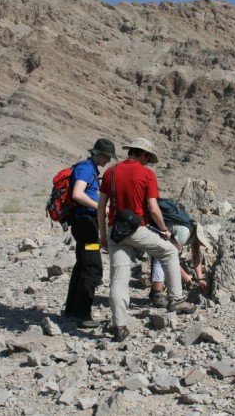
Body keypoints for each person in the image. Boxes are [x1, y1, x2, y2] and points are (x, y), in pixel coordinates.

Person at [97, 138, 196, 342]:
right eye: (148, 157)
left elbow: (101, 206)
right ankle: (176, 299)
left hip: (115, 231)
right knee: (169, 252)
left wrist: (102, 235)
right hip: (137, 229)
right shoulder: (147, 174)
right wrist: (164, 230)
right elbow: (153, 208)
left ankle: (119, 325)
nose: (148, 161)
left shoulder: (110, 173)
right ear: (142, 153)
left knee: (118, 278)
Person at [63, 138, 117, 328]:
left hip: (87, 225)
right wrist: (99, 206)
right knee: (92, 266)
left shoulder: (90, 169)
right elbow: (77, 194)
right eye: (107, 157)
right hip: (85, 225)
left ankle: (71, 310)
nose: (108, 161)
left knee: (82, 264)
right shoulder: (86, 168)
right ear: (99, 154)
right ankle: (81, 313)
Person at [149, 220, 213, 308]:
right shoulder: (185, 233)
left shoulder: (194, 236)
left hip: (164, 238)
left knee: (162, 257)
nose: (203, 245)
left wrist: (200, 279)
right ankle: (157, 296)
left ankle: (155, 292)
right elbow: (171, 258)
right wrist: (184, 275)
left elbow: (196, 257)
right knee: (160, 258)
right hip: (154, 233)